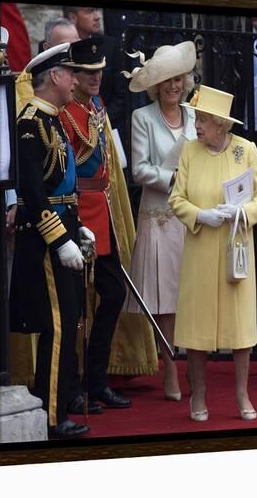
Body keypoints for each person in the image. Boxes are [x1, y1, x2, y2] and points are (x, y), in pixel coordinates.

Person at [59, 37, 158, 411]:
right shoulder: (66, 112)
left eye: (99, 72)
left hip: (105, 211)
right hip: (80, 214)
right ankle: (73, 385)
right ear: (75, 75)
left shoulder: (97, 104)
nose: (96, 79)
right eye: (88, 73)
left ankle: (96, 379)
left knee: (113, 293)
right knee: (76, 307)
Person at [169, 85, 257, 421]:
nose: (196, 124)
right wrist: (201, 215)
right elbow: (176, 199)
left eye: (201, 118)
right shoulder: (189, 151)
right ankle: (198, 394)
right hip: (200, 249)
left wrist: (240, 214)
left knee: (240, 328)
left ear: (220, 123)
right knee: (198, 327)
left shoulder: (247, 150)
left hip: (235, 248)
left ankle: (242, 394)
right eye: (196, 118)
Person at [9, 43, 96, 439]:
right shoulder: (29, 123)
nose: (77, 79)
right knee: (57, 327)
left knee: (68, 320)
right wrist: (59, 239)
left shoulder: (56, 119)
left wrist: (76, 227)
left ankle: (60, 402)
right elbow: (30, 188)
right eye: (71, 72)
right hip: (45, 243)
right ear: (55, 77)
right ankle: (51, 416)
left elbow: (62, 184)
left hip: (63, 232)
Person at [122, 41, 197, 401]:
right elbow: (138, 170)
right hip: (160, 217)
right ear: (156, 85)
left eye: (178, 79)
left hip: (193, 217)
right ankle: (170, 367)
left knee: (192, 294)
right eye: (166, 79)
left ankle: (194, 364)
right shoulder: (143, 118)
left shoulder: (197, 116)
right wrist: (174, 178)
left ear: (186, 81)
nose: (173, 85)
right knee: (166, 298)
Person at [63, 7, 126, 135]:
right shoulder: (57, 47)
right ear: (73, 17)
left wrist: (99, 123)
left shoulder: (110, 45)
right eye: (90, 11)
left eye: (97, 10)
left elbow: (121, 94)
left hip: (105, 126)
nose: (97, 16)